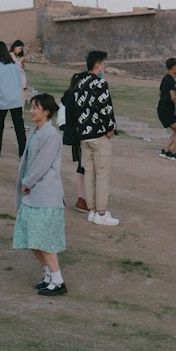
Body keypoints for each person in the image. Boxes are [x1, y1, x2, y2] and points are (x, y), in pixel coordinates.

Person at [13, 93, 68, 296]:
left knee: (44, 240)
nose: (31, 111)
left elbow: (42, 165)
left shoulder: (51, 135)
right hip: (33, 195)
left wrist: (27, 183)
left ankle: (58, 280)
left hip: (45, 195)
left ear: (46, 111)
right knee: (31, 238)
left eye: (35, 107)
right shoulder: (37, 132)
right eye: (31, 107)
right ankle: (49, 275)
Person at [72, 50, 119, 225]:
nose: (104, 68)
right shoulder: (100, 83)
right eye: (103, 64)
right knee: (102, 173)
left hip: (84, 134)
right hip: (99, 134)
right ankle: (101, 212)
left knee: (89, 173)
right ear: (98, 65)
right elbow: (104, 108)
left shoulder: (80, 82)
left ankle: (92, 210)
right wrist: (110, 128)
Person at [60, 70, 89, 211]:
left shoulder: (69, 95)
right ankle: (82, 198)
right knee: (84, 166)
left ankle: (82, 197)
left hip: (75, 135)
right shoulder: (77, 97)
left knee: (82, 165)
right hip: (81, 135)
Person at [157, 58, 176, 161]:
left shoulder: (165, 78)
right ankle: (174, 153)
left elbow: (160, 93)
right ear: (174, 67)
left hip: (162, 109)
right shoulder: (171, 80)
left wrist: (167, 103)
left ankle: (165, 150)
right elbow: (173, 97)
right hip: (166, 110)